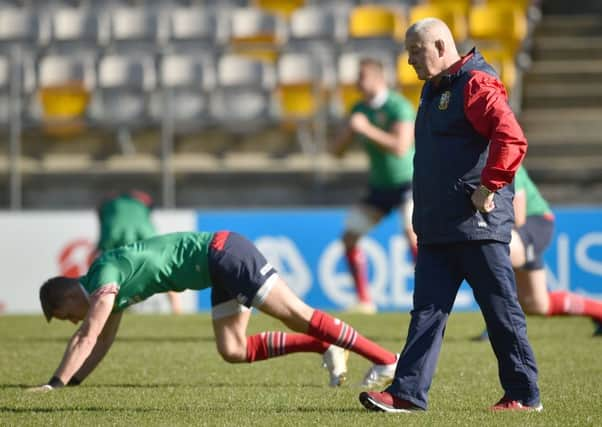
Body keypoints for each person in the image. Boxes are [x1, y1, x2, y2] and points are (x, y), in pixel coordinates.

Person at [359, 18, 542, 413]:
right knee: (426, 313)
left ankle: (524, 395)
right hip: (439, 226)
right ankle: (407, 394)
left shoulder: (475, 84)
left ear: (441, 46)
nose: (408, 62)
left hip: (476, 226)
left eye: (415, 52)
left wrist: (489, 187)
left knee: (500, 312)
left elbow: (511, 137)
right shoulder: (435, 87)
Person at [28, 231, 399, 392]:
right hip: (217, 266)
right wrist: (73, 383)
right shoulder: (104, 286)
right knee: (233, 349)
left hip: (225, 253)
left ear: (66, 300)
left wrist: (54, 383)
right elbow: (102, 342)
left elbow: (88, 335)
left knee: (297, 314)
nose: (71, 322)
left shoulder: (104, 281)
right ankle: (326, 346)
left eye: (64, 316)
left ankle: (385, 359)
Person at [331, 57, 417, 314]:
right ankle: (364, 301)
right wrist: (348, 133)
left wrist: (366, 130)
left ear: (379, 79)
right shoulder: (358, 109)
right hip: (380, 187)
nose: (358, 82)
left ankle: (430, 296)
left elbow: (401, 147)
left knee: (411, 234)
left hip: (408, 182)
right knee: (349, 237)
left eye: (363, 76)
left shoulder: (398, 106)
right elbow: (336, 153)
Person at [475, 165, 602, 340]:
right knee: (536, 303)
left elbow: (518, 218)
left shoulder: (506, 160)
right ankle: (599, 310)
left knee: (493, 249)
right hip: (513, 230)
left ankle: (499, 322)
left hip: (535, 223)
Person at [96, 190, 182, 314]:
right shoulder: (140, 201)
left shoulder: (108, 205)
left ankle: (115, 306)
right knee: (162, 267)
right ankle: (176, 308)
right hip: (144, 231)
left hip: (114, 231)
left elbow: (104, 237)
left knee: (111, 268)